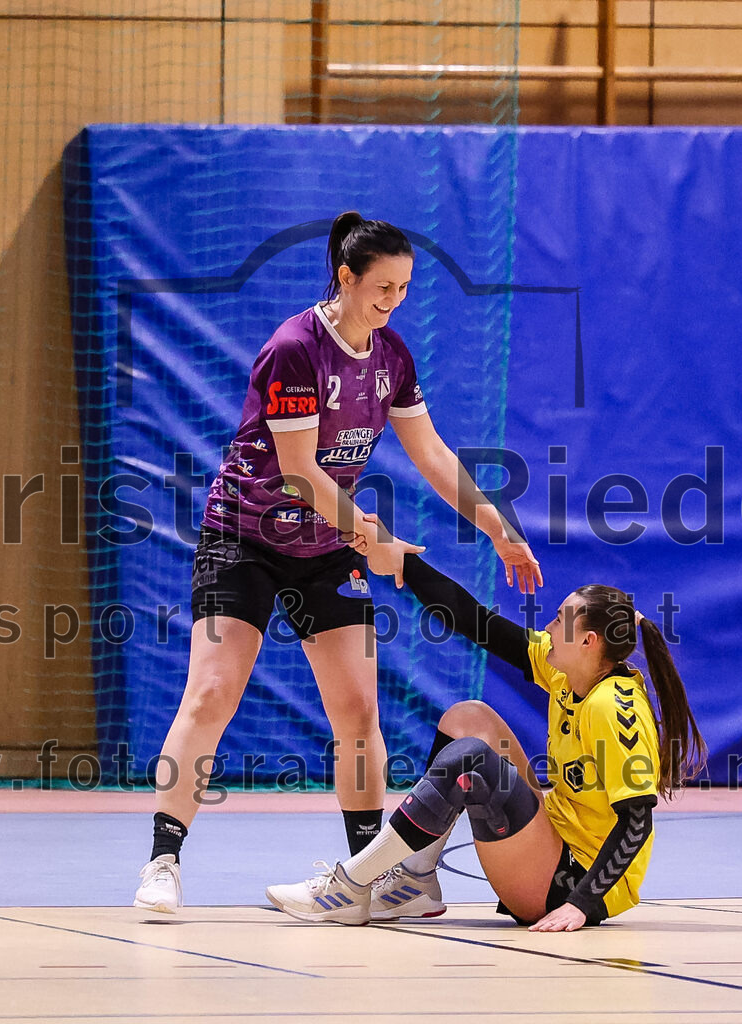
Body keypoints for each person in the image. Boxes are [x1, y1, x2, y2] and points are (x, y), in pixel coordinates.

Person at [134, 212, 542, 913]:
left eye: (405, 288)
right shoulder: (294, 349)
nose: (392, 301)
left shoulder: (392, 359)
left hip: (326, 547)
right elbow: (298, 473)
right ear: (345, 279)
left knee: (358, 711)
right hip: (245, 538)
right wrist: (375, 534)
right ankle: (163, 862)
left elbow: (434, 455)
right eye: (381, 287)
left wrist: (497, 526)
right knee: (211, 694)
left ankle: (369, 876)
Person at [266, 546, 705, 930]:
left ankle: (349, 885)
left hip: (570, 879)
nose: (549, 628)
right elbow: (474, 621)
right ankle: (416, 880)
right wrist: (401, 560)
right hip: (555, 836)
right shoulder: (568, 671)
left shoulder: (612, 706)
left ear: (588, 641)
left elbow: (636, 820)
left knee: (471, 762)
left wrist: (582, 904)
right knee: (468, 718)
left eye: (558, 620)